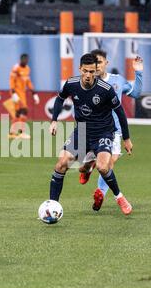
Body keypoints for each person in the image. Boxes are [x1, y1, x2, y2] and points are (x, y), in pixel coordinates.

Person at [48, 53, 133, 215]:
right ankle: (52, 206)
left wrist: (127, 139)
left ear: (96, 71)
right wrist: (54, 120)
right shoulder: (71, 84)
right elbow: (60, 98)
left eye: (92, 72)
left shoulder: (105, 89)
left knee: (102, 167)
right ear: (80, 69)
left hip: (104, 133)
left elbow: (120, 112)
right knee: (61, 164)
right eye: (85, 71)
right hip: (82, 132)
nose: (88, 75)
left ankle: (119, 197)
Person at [78, 49, 143, 214]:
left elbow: (135, 93)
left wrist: (138, 72)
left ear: (106, 63)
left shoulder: (117, 81)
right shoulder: (86, 83)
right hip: (92, 130)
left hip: (113, 131)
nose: (97, 65)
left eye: (100, 62)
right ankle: (88, 167)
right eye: (95, 63)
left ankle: (100, 193)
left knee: (109, 163)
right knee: (87, 166)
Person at [8, 53, 40, 139]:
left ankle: (12, 133)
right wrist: (13, 92)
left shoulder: (27, 69)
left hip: (22, 93)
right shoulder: (16, 68)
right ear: (20, 60)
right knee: (24, 111)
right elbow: (11, 80)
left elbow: (28, 82)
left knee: (18, 113)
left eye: (27, 60)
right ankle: (21, 132)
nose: (25, 61)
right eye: (24, 60)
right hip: (16, 93)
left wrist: (34, 93)